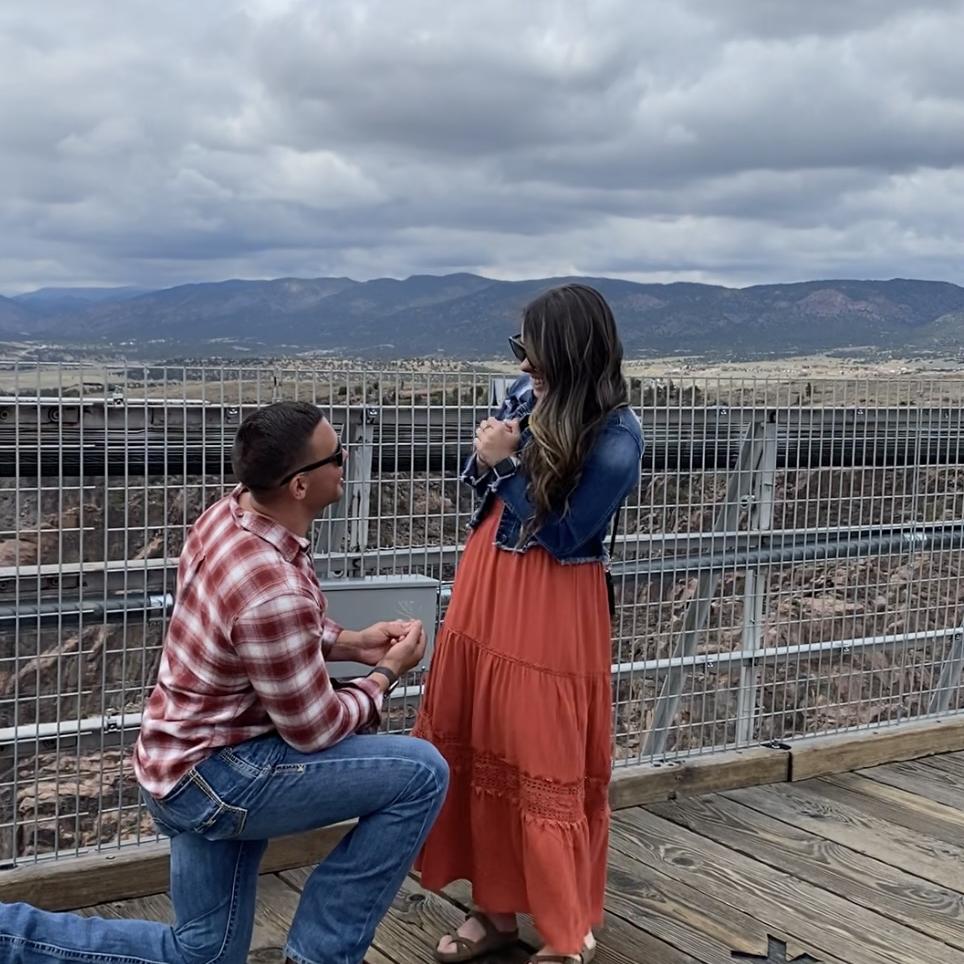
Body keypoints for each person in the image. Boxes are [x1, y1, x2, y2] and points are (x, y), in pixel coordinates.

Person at [0, 400, 449, 964]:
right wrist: (386, 674)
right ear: (301, 486)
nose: (347, 461)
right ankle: (321, 953)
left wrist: (353, 642)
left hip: (179, 754)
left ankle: (8, 935)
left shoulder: (230, 514)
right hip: (218, 777)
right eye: (337, 456)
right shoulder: (271, 590)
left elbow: (273, 636)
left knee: (203, 956)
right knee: (423, 774)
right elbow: (316, 728)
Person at [412, 284, 644, 964]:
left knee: (541, 752)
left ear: (569, 354)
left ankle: (568, 931)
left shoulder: (617, 434)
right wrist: (495, 463)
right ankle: (497, 912)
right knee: (487, 735)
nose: (520, 368)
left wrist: (504, 463)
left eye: (531, 353)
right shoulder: (523, 402)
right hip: (490, 579)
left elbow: (568, 536)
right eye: (519, 351)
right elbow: (475, 478)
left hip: (551, 601)